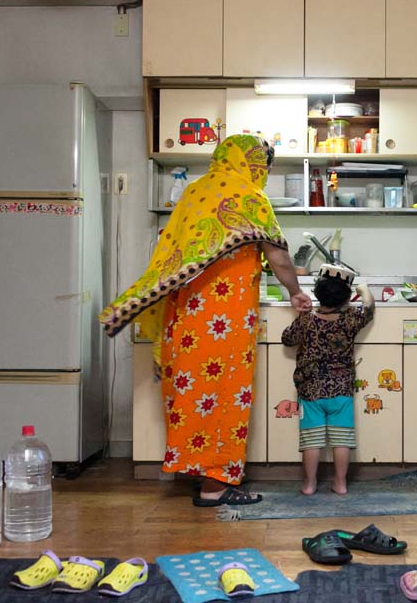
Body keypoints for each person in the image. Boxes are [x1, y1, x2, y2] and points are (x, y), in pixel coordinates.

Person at [100, 135, 311, 507]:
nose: (263, 172)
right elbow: (278, 256)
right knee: (226, 394)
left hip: (185, 315)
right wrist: (295, 291)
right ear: (250, 163)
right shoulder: (250, 197)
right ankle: (215, 485)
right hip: (225, 318)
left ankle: (200, 473)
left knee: (193, 394)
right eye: (263, 164)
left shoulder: (195, 193)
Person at [281, 265, 374, 496]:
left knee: (311, 438)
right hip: (341, 390)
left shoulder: (306, 321)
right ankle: (340, 483)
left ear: (317, 294)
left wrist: (302, 314)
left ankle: (309, 484)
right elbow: (369, 310)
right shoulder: (350, 319)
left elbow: (287, 339)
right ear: (346, 299)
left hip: (310, 390)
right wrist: (363, 290)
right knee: (342, 438)